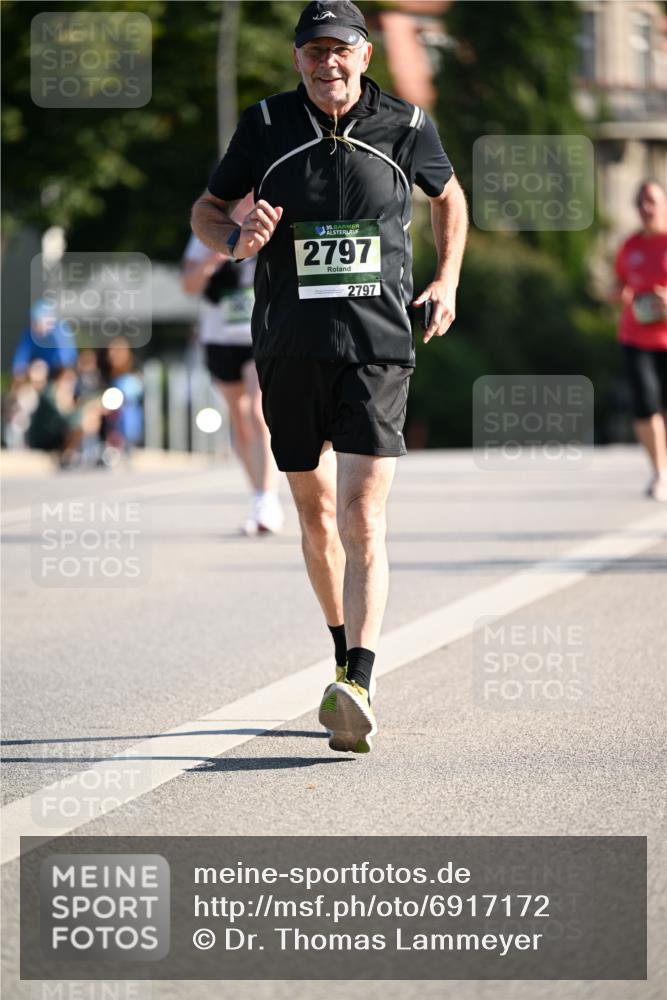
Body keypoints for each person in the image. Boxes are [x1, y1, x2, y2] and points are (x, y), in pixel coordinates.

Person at [191, 0, 468, 753]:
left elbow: (448, 196)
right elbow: (206, 210)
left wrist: (445, 279)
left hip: (379, 344)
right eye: (313, 51)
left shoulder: (405, 127)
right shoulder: (265, 126)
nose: (327, 63)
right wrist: (235, 239)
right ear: (297, 60)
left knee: (361, 514)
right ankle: (341, 654)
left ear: (364, 55)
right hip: (288, 346)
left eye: (339, 49)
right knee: (315, 517)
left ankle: (359, 680)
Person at [182, 195, 283, 535]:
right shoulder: (211, 225)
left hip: (260, 335)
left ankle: (268, 499)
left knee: (258, 411)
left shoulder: (274, 218)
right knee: (239, 420)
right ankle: (258, 494)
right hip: (220, 337)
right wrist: (215, 257)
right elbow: (188, 285)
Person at [614, 179, 667, 501]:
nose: (647, 208)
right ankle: (660, 472)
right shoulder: (630, 246)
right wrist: (618, 292)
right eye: (641, 203)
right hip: (635, 336)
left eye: (653, 201)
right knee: (646, 406)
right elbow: (618, 281)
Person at [11, 300, 77, 384]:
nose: (35, 326)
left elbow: (67, 363)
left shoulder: (61, 332)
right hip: (36, 375)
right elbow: (19, 365)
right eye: (33, 322)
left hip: (59, 375)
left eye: (38, 322)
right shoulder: (29, 335)